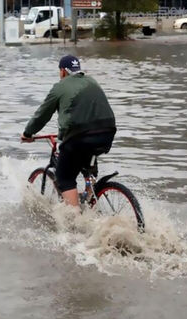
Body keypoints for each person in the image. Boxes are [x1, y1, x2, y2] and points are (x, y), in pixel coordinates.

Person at [21, 55, 117, 207]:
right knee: (88, 160)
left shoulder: (60, 86)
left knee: (64, 178)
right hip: (107, 132)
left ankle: (75, 222)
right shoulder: (92, 81)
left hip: (80, 137)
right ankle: (90, 198)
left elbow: (42, 114)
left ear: (63, 71)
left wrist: (28, 133)